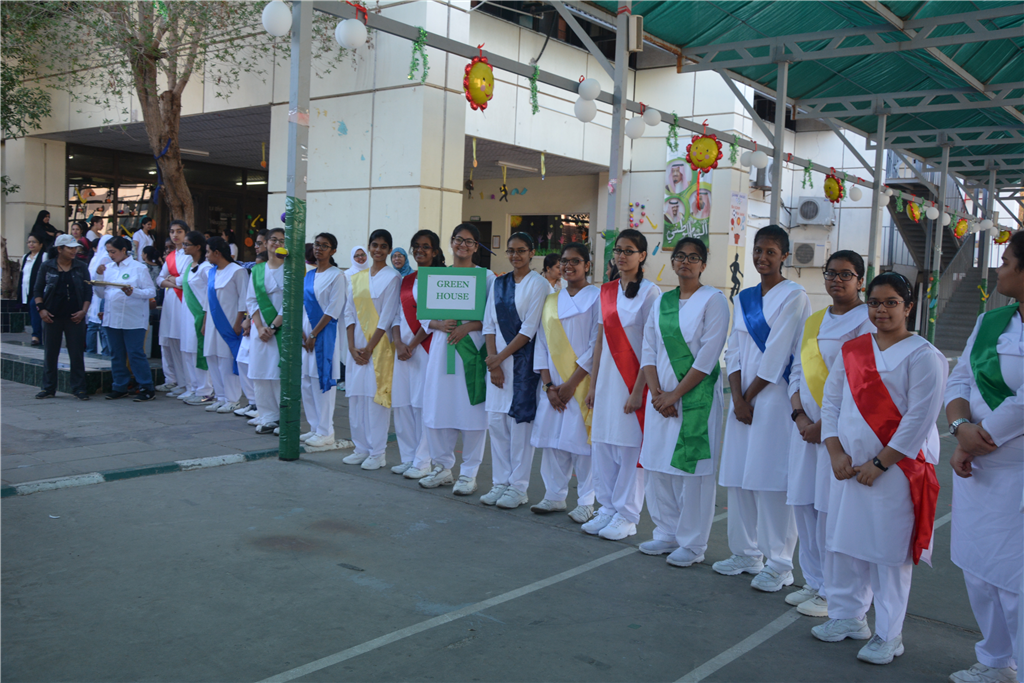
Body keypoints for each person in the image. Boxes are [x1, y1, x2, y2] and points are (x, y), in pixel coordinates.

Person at [812, 272, 947, 665]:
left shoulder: (924, 355)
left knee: (888, 554)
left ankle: (889, 634)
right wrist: (834, 450)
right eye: (874, 303)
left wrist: (881, 462)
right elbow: (832, 403)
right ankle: (847, 616)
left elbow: (920, 418)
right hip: (849, 467)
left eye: (891, 302)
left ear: (908, 307)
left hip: (896, 472)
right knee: (844, 544)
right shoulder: (853, 350)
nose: (881, 310)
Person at [715, 225, 811, 592]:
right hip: (743, 400)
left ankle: (780, 563)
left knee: (770, 479)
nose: (762, 257)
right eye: (758, 250)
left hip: (773, 399)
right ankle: (745, 553)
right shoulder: (744, 298)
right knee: (739, 476)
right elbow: (735, 350)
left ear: (784, 255)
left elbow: (778, 354)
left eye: (771, 252)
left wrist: (748, 397)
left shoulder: (794, 296)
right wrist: (738, 397)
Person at [945, 230, 1023, 683]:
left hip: (1016, 472)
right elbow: (960, 378)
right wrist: (960, 427)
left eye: (1007, 261)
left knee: (1017, 580)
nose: (999, 268)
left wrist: (977, 437)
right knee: (979, 569)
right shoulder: (991, 321)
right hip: (978, 468)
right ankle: (996, 661)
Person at [785, 251, 874, 617]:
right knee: (803, 503)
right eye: (831, 273)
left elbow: (860, 381)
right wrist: (799, 415)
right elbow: (796, 371)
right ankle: (814, 580)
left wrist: (824, 425)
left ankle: (834, 592)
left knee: (829, 508)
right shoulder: (815, 320)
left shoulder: (866, 321)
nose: (837, 280)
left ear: (860, 281)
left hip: (838, 433)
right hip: (804, 429)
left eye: (846, 274)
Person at [638, 237, 730, 567]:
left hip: (694, 399)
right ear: (673, 261)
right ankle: (666, 532)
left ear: (703, 264)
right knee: (658, 466)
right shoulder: (663, 301)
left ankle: (692, 543)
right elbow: (648, 348)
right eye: (680, 256)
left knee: (692, 472)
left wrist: (675, 395)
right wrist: (657, 394)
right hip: (660, 398)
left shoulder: (714, 301)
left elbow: (708, 356)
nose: (685, 262)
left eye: (693, 257)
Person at [583, 229, 660, 540]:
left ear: (642, 256)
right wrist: (593, 385)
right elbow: (600, 340)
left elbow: (651, 346)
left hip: (633, 380)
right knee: (603, 443)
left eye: (629, 251)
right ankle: (607, 507)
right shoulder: (606, 291)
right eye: (618, 250)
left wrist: (639, 390)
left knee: (629, 447)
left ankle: (627, 515)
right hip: (606, 380)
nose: (622, 256)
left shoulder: (651, 293)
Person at [418, 224, 496, 493]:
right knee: (439, 406)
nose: (463, 245)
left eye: (469, 241)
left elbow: (493, 315)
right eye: (458, 240)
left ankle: (469, 473)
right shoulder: (437, 276)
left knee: (472, 410)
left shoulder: (486, 277)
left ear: (476, 247)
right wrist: (438, 324)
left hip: (471, 350)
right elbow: (423, 315)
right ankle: (442, 467)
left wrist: (469, 326)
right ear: (451, 243)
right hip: (442, 349)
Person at [530, 243, 599, 523]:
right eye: (564, 261)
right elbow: (542, 344)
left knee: (583, 443)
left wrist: (571, 384)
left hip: (582, 382)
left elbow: (596, 344)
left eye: (575, 261)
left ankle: (587, 501)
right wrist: (548, 386)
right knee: (554, 442)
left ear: (587, 265)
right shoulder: (551, 300)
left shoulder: (597, 298)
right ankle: (554, 495)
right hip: (553, 385)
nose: (568, 266)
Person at [481, 232, 551, 507]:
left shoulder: (539, 284)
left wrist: (499, 359)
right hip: (497, 365)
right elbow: (489, 324)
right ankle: (500, 482)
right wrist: (493, 362)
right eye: (511, 250)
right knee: (497, 424)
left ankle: (518, 487)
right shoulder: (499, 283)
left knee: (520, 427)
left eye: (521, 250)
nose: (515, 255)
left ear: (532, 253)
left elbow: (528, 330)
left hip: (522, 365)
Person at [341, 229, 401, 468]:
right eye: (375, 245)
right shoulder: (356, 278)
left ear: (389, 250)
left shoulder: (393, 277)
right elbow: (348, 313)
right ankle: (360, 448)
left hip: (379, 346)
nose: (378, 250)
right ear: (369, 247)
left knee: (376, 399)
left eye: (383, 246)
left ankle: (378, 453)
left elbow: (387, 316)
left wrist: (368, 348)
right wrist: (352, 346)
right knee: (356, 398)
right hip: (356, 347)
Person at [391, 230, 444, 479]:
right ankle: (408, 456)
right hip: (402, 348)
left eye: (426, 246)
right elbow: (395, 315)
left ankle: (423, 461)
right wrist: (398, 343)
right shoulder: (406, 279)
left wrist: (411, 345)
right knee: (402, 403)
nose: (420, 250)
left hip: (425, 348)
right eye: (416, 246)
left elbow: (433, 317)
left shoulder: (440, 279)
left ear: (435, 251)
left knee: (423, 404)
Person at [93, 236, 158, 401]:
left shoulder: (139, 268)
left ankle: (146, 386)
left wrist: (133, 292)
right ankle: (120, 386)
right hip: (112, 317)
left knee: (135, 353)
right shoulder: (108, 268)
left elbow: (151, 292)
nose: (110, 255)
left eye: (113, 251)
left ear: (124, 250)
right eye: (108, 252)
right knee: (116, 354)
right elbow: (101, 293)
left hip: (133, 318)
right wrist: (99, 276)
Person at [301, 233, 347, 448]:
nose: (319, 249)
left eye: (325, 246)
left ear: (333, 250)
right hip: (306, 334)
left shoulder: (337, 276)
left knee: (323, 380)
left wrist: (314, 334)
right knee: (307, 381)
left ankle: (326, 431)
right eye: (317, 245)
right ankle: (314, 427)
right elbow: (302, 305)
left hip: (325, 334)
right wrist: (303, 333)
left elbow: (333, 309)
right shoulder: (309, 275)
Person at [33, 235, 92, 400]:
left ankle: (79, 388)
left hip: (75, 317)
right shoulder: (47, 266)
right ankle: (48, 388)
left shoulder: (81, 267)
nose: (74, 251)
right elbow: (37, 290)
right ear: (59, 249)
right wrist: (41, 310)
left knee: (76, 353)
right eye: (70, 248)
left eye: (75, 248)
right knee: (50, 353)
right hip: (52, 316)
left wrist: (83, 311)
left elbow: (88, 291)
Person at [245, 229, 286, 434]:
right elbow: (251, 300)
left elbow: (290, 302)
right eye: (273, 239)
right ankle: (267, 415)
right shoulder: (257, 270)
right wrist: (260, 326)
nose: (276, 243)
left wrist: (273, 326)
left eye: (281, 241)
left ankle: (283, 416)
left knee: (278, 373)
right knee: (260, 372)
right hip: (260, 329)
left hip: (281, 328)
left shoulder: (290, 270)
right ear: (266, 242)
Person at [202, 236, 249, 414]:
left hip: (229, 323)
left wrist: (238, 322)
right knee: (212, 357)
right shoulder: (212, 272)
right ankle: (220, 397)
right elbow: (207, 301)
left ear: (217, 253)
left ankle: (232, 399)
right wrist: (205, 323)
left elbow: (244, 299)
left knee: (226, 360)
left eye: (208, 252)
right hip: (212, 323)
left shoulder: (238, 271)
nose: (206, 255)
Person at [178, 232, 215, 406]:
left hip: (199, 314)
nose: (184, 247)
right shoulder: (189, 265)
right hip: (187, 314)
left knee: (198, 351)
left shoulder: (205, 268)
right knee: (187, 350)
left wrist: (207, 318)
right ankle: (193, 387)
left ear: (198, 247)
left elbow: (211, 293)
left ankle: (205, 390)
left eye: (187, 244)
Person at [155, 221, 191, 395]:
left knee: (181, 341)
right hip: (170, 300)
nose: (175, 235)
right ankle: (175, 380)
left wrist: (171, 279)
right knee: (169, 341)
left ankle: (186, 383)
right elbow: (159, 279)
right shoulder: (170, 256)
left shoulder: (189, 255)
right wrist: (173, 281)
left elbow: (185, 279)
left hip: (182, 301)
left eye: (179, 231)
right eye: (172, 231)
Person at [86, 233, 114, 356]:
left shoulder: (95, 258)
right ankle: (105, 353)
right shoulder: (106, 259)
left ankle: (91, 352)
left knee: (93, 325)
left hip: (94, 294)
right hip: (103, 294)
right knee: (102, 326)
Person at [20, 235, 47, 345]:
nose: (31, 244)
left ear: (41, 244)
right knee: (32, 311)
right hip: (26, 289)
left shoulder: (44, 256)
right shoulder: (25, 257)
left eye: (34, 242)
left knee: (34, 306)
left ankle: (36, 336)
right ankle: (38, 335)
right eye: (29, 242)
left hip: (40, 290)